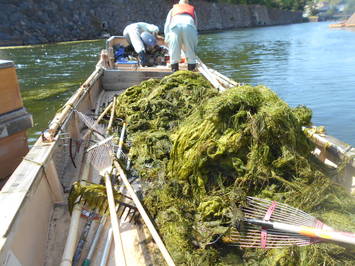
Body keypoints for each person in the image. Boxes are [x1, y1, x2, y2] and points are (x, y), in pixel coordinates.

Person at [164, 0, 198, 72]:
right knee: (190, 51)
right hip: (189, 26)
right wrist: (194, 42)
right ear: (187, 4)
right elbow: (195, 25)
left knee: (174, 50)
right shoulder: (192, 10)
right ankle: (191, 71)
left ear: (179, 3)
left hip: (175, 26)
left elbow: (167, 25)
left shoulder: (173, 10)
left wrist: (167, 38)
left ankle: (174, 70)